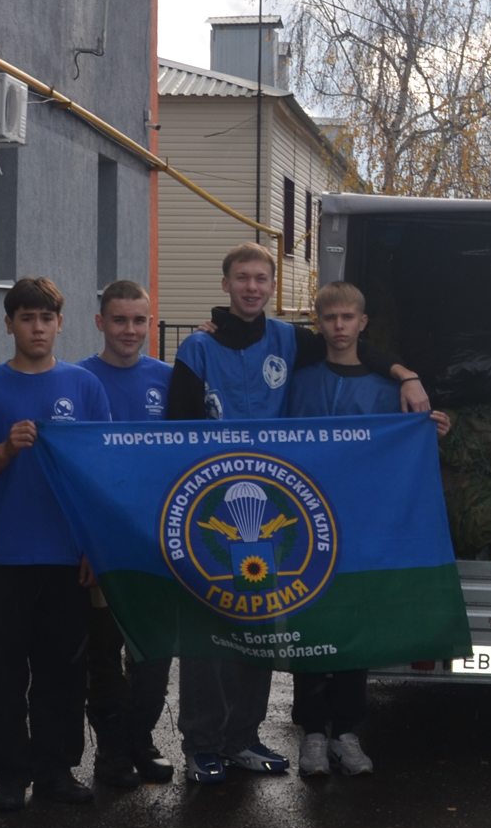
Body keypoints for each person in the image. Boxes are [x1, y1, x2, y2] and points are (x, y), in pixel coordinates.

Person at [165, 243, 428, 784]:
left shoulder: (289, 339)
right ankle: (202, 742)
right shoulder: (197, 347)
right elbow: (177, 429)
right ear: (226, 284)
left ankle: (242, 737)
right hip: (211, 507)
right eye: (242, 278)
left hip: (271, 507)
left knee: (259, 622)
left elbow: (353, 346)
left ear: (272, 286)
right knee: (209, 624)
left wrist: (406, 375)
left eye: (261, 279)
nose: (252, 287)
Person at [281, 280, 451, 779]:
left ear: (362, 322)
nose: (339, 326)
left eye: (347, 317)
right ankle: (313, 732)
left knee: (355, 625)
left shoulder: (389, 389)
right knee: (311, 624)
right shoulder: (298, 381)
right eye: (330, 318)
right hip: (307, 528)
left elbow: (406, 448)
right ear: (318, 323)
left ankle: (347, 731)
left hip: (362, 527)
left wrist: (431, 430)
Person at [0, 278, 113, 811]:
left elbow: (101, 473)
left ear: (60, 324)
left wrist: (94, 545)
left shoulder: (84, 387)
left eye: (46, 318)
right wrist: (6, 449)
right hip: (2, 556)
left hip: (66, 556)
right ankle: (9, 775)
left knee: (63, 673)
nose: (37, 328)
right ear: (9, 324)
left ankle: (56, 770)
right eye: (26, 318)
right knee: (3, 675)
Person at [76, 280, 178, 789]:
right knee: (104, 659)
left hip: (158, 546)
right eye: (119, 320)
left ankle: (140, 740)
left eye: (139, 320)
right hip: (103, 546)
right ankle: (112, 752)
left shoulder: (169, 380)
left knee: (154, 655)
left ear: (150, 323)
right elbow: (76, 472)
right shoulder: (77, 381)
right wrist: (87, 541)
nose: (130, 330)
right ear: (101, 322)